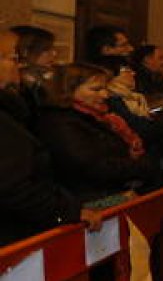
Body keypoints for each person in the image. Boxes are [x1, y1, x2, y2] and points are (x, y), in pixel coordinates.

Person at [0, 29, 102, 245]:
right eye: (13, 58)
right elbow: (14, 186)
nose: (19, 65)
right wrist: (67, 211)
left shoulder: (15, 107)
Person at [37, 63, 160, 204]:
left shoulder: (97, 118)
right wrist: (141, 167)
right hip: (88, 202)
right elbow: (92, 167)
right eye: (96, 89)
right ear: (68, 90)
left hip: (107, 193)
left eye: (105, 89)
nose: (105, 95)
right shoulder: (61, 123)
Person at [131, 44, 163, 111]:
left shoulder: (157, 76)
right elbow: (146, 106)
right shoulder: (135, 78)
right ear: (147, 60)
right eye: (161, 58)